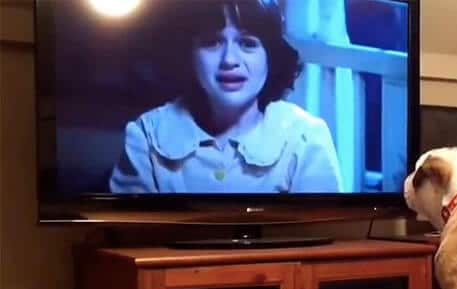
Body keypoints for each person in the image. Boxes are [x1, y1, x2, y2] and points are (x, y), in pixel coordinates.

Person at [109, 0, 343, 193]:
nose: (229, 59)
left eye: (248, 44)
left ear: (270, 58)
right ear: (188, 55)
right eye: (212, 42)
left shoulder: (305, 137)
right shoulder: (147, 135)